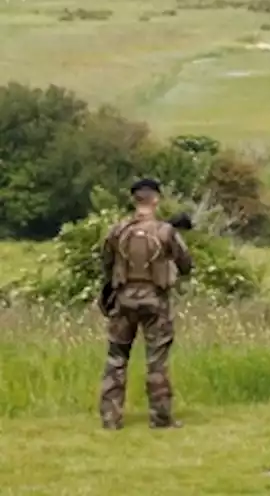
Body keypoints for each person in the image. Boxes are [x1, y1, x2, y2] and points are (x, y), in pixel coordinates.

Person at [98, 178, 193, 430]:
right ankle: (161, 418)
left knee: (116, 358)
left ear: (134, 199)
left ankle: (110, 418)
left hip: (123, 300)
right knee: (156, 361)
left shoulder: (117, 230)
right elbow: (186, 264)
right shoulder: (165, 232)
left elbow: (106, 263)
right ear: (156, 199)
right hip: (155, 301)